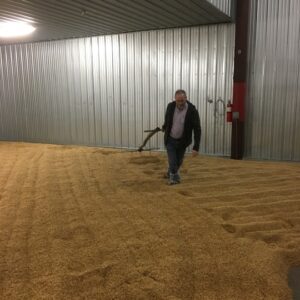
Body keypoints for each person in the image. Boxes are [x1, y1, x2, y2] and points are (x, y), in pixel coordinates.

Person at [162, 89, 201, 185]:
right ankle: (174, 179)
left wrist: (196, 147)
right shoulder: (170, 107)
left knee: (178, 161)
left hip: (183, 141)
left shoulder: (192, 111)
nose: (180, 103)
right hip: (170, 139)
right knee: (172, 160)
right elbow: (168, 119)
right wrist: (164, 126)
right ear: (175, 99)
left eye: (182, 101)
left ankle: (169, 172)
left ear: (186, 98)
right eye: (178, 101)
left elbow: (197, 129)